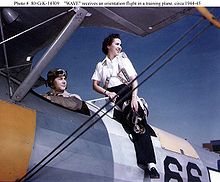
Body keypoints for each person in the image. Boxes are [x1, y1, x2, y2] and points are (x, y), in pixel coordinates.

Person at [91, 33, 160, 179]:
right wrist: (107, 92)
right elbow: (95, 85)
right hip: (111, 95)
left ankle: (150, 164)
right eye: (117, 44)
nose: (120, 47)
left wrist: (134, 98)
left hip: (127, 92)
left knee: (137, 121)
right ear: (108, 45)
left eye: (120, 44)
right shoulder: (100, 65)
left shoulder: (123, 59)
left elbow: (134, 80)